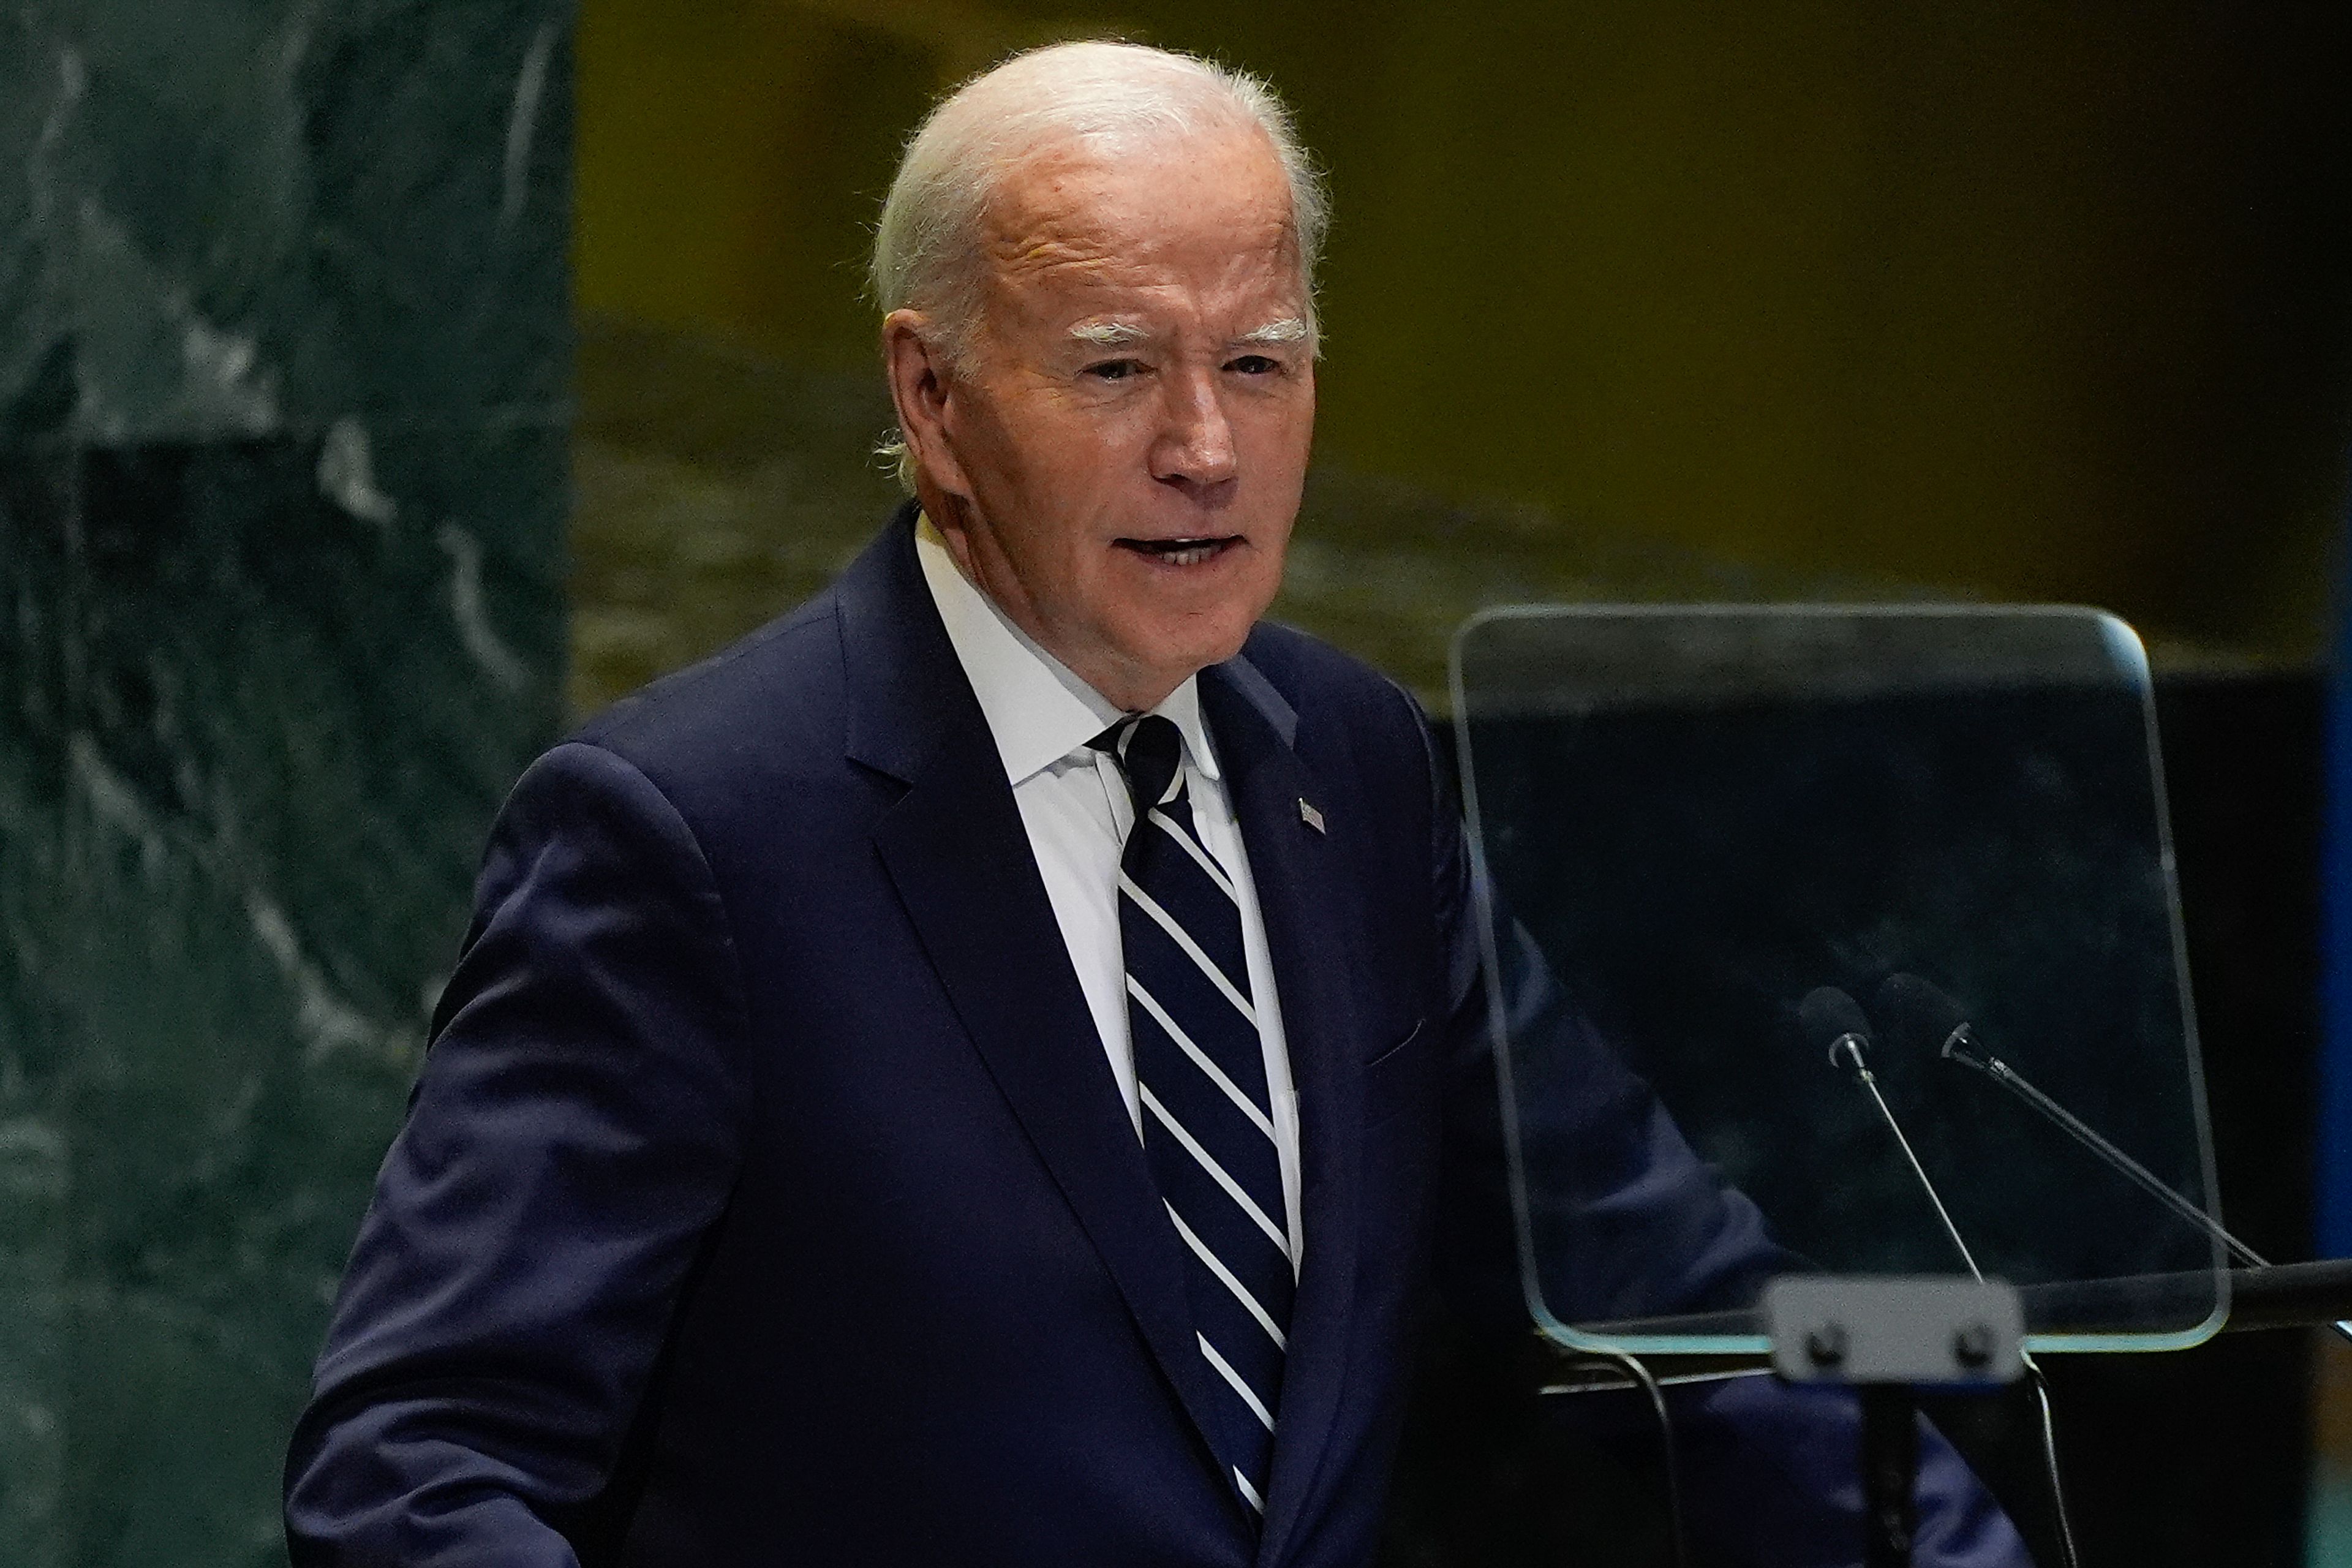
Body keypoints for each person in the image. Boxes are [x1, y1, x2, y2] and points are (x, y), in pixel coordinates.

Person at [284, 40, 2029, 1567]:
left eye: (1260, 364)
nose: (1207, 446)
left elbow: (1677, 1296)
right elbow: (423, 1464)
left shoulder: (1354, 765)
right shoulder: (692, 837)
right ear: (933, 397)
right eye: (1119, 369)